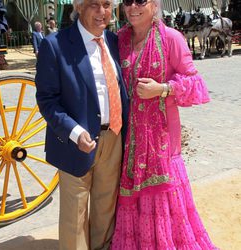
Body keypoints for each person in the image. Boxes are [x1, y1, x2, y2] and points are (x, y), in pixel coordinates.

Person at [111, 0, 218, 249]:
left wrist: (164, 89)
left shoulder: (171, 38)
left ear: (155, 5)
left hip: (162, 142)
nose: (133, 7)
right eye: (127, 1)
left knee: (164, 200)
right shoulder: (119, 40)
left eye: (141, 0)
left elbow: (196, 84)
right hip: (129, 141)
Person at [35, 0, 129, 249]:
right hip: (75, 143)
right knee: (74, 214)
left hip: (114, 137)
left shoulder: (114, 42)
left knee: (105, 207)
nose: (102, 12)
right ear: (79, 7)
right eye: (93, 5)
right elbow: (47, 100)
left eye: (107, 4)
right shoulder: (54, 45)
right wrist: (74, 132)